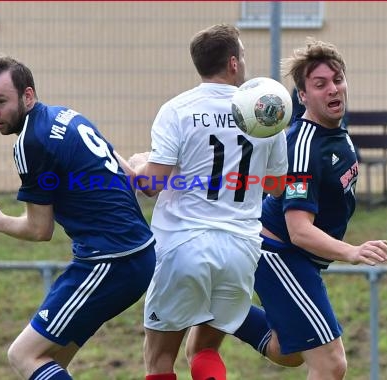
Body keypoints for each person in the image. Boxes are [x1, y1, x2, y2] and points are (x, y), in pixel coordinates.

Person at [0, 55, 156, 380]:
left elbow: (40, 229)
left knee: (23, 355)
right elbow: (126, 174)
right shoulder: (68, 116)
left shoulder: (31, 142)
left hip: (110, 262)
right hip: (132, 256)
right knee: (50, 361)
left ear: (28, 95)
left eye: (0, 102)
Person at [130, 24, 288, 380]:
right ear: (233, 63)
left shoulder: (178, 110)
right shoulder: (266, 114)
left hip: (182, 246)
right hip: (239, 250)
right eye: (243, 56)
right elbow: (278, 186)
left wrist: (138, 163)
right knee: (204, 349)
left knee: (159, 361)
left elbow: (152, 183)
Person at [233, 38, 387, 379]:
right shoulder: (303, 147)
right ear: (302, 96)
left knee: (289, 352)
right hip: (280, 252)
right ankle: (217, 308)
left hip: (297, 256)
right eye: (320, 85)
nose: (333, 89)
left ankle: (220, 310)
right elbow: (299, 230)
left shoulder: (335, 129)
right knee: (331, 363)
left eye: (337, 80)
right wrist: (352, 251)